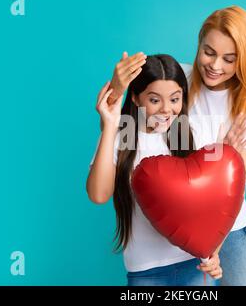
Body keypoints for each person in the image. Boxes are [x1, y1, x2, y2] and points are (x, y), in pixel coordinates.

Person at [107, 5, 246, 286]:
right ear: (199, 44)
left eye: (229, 59)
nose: (216, 66)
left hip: (228, 227)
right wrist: (118, 88)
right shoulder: (178, 80)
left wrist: (210, 249)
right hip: (181, 231)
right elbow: (125, 123)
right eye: (209, 52)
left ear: (244, 60)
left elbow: (236, 187)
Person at [86, 54, 221, 286]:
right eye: (155, 100)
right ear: (136, 99)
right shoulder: (125, 136)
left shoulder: (191, 134)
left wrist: (214, 252)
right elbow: (99, 195)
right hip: (146, 272)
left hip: (194, 265)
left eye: (175, 99)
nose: (167, 110)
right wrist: (110, 125)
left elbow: (214, 202)